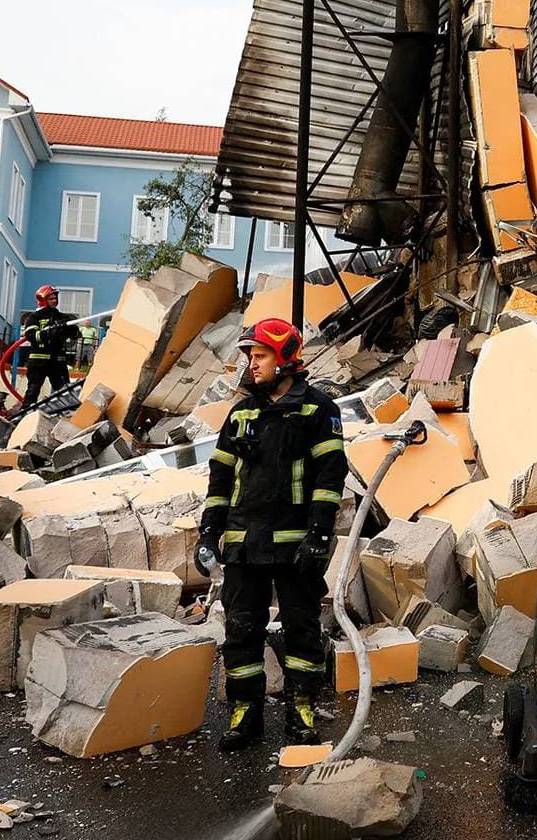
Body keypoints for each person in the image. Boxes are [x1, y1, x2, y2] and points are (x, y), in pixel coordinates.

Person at [195, 318, 348, 751]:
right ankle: (246, 713)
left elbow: (330, 476)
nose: (252, 364)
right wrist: (209, 533)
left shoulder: (318, 410)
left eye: (259, 355)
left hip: (298, 545)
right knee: (241, 629)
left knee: (301, 628)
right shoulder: (242, 412)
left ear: (285, 358)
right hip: (244, 545)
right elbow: (220, 476)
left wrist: (319, 534)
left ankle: (301, 708)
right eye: (249, 356)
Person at [20, 286, 79, 405]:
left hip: (58, 361)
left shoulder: (62, 317)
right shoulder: (35, 317)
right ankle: (25, 417)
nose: (55, 301)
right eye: (51, 298)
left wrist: (70, 329)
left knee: (65, 392)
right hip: (39, 360)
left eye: (55, 298)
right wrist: (49, 332)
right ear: (43, 299)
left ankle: (69, 416)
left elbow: (76, 335)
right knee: (33, 390)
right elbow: (31, 336)